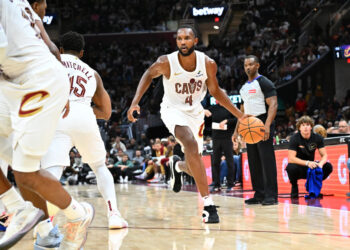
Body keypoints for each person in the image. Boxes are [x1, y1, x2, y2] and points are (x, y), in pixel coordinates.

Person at [127, 26, 246, 223]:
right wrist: (134, 102)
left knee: (194, 162)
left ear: (196, 41)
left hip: (195, 112)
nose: (183, 42)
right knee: (189, 144)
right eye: (180, 39)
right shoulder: (166, 62)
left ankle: (178, 166)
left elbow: (215, 92)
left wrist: (240, 115)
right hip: (172, 110)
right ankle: (208, 205)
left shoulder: (208, 63)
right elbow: (148, 74)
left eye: (187, 38)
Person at [0, 1, 94, 249]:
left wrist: (60, 88)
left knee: (25, 173)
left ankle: (78, 214)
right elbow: (51, 46)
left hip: (36, 82)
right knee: (23, 170)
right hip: (16, 80)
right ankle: (23, 212)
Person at [40, 31, 128, 229]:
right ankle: (114, 215)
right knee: (99, 167)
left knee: (53, 171)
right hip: (84, 115)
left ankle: (46, 223)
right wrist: (83, 109)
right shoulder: (91, 72)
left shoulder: (50, 62)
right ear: (81, 53)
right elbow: (106, 112)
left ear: (59, 49)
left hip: (57, 116)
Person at [234, 55, 278, 205]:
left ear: (257, 65)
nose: (248, 67)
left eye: (251, 64)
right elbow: (241, 111)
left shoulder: (264, 82)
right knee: (253, 161)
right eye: (245, 65)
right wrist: (236, 131)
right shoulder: (244, 87)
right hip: (248, 125)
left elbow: (273, 105)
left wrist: (266, 126)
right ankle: (259, 194)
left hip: (262, 123)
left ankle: (271, 195)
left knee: (267, 161)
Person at [286, 116, 333, 198]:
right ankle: (294, 187)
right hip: (299, 166)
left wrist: (320, 164)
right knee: (290, 167)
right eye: (303, 125)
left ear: (311, 127)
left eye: (307, 125)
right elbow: (291, 158)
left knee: (328, 167)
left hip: (311, 167)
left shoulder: (317, 138)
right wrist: (307, 163)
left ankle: (314, 187)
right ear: (299, 127)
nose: (305, 127)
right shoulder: (294, 138)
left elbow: (324, 155)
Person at [204, 96, 237, 192]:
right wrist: (204, 112)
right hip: (216, 137)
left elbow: (237, 119)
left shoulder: (230, 107)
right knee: (215, 162)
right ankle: (216, 183)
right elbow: (206, 115)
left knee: (229, 161)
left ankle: (231, 183)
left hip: (227, 137)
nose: (216, 98)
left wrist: (227, 121)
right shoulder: (213, 108)